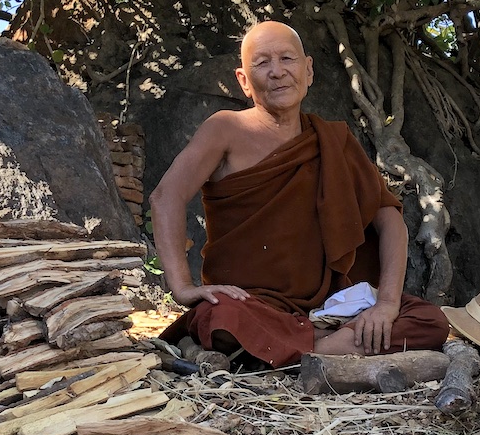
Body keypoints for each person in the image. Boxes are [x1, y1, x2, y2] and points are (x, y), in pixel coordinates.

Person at [150, 20, 451, 367]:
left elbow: (390, 220)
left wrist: (385, 305)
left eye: (287, 59)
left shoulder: (333, 141)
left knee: (431, 321)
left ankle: (305, 348)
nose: (277, 72)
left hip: (332, 306)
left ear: (308, 70)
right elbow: (166, 197)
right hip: (253, 303)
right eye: (262, 63)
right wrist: (184, 288)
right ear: (244, 81)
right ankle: (331, 348)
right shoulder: (226, 129)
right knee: (220, 319)